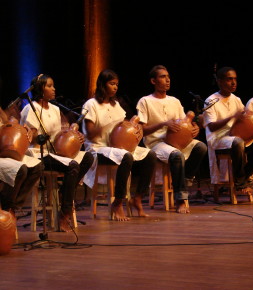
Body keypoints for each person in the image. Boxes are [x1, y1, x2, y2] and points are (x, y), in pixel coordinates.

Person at [20, 74, 94, 232]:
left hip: (55, 152)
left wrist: (73, 135)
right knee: (73, 166)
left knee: (88, 157)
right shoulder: (30, 108)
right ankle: (65, 212)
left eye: (53, 86)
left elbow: (61, 133)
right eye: (49, 86)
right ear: (40, 89)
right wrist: (28, 131)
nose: (54, 89)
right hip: (38, 154)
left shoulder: (55, 109)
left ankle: (65, 192)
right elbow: (30, 137)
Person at [82, 69, 157, 221]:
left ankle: (137, 198)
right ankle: (118, 202)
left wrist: (134, 129)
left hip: (116, 147)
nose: (115, 87)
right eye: (112, 84)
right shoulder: (91, 104)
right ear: (102, 84)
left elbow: (124, 126)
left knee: (150, 155)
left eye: (117, 84)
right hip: (98, 148)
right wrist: (106, 126)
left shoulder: (116, 105)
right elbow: (89, 134)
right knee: (126, 157)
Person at [136, 65, 207, 214]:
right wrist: (163, 124)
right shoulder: (145, 101)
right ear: (153, 81)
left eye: (168, 76)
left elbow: (184, 123)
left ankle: (184, 181)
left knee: (201, 147)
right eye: (162, 77)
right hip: (156, 143)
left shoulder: (174, 101)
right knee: (176, 155)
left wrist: (194, 127)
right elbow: (142, 130)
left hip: (178, 141)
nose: (167, 80)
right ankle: (180, 198)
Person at [203, 66, 253, 197]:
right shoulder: (210, 100)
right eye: (229, 79)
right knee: (238, 142)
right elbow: (211, 127)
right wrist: (232, 117)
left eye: (235, 79)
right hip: (218, 138)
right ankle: (240, 184)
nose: (233, 83)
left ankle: (243, 178)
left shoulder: (236, 99)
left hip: (236, 136)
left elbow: (245, 119)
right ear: (220, 81)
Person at [0, 107, 43, 219]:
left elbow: (6, 125)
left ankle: (13, 207)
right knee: (21, 170)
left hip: (4, 153)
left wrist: (22, 129)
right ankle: (6, 208)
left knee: (37, 166)